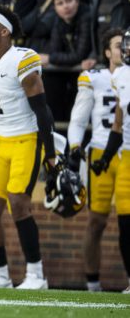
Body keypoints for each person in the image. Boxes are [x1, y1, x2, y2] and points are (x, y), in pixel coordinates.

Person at [0, 6, 58, 289]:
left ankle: (35, 274)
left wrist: (51, 155)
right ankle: (2, 276)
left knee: (18, 203)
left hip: (25, 138)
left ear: (5, 31)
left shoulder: (23, 58)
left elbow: (42, 110)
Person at [67, 28, 124, 292]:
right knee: (96, 221)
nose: (124, 49)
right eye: (118, 45)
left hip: (128, 152)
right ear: (107, 52)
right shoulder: (94, 78)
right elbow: (79, 118)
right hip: (101, 151)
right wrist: (75, 145)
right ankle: (92, 282)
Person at [94, 30, 130, 293]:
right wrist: (105, 157)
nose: (126, 49)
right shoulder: (121, 76)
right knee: (126, 223)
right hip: (126, 155)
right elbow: (118, 125)